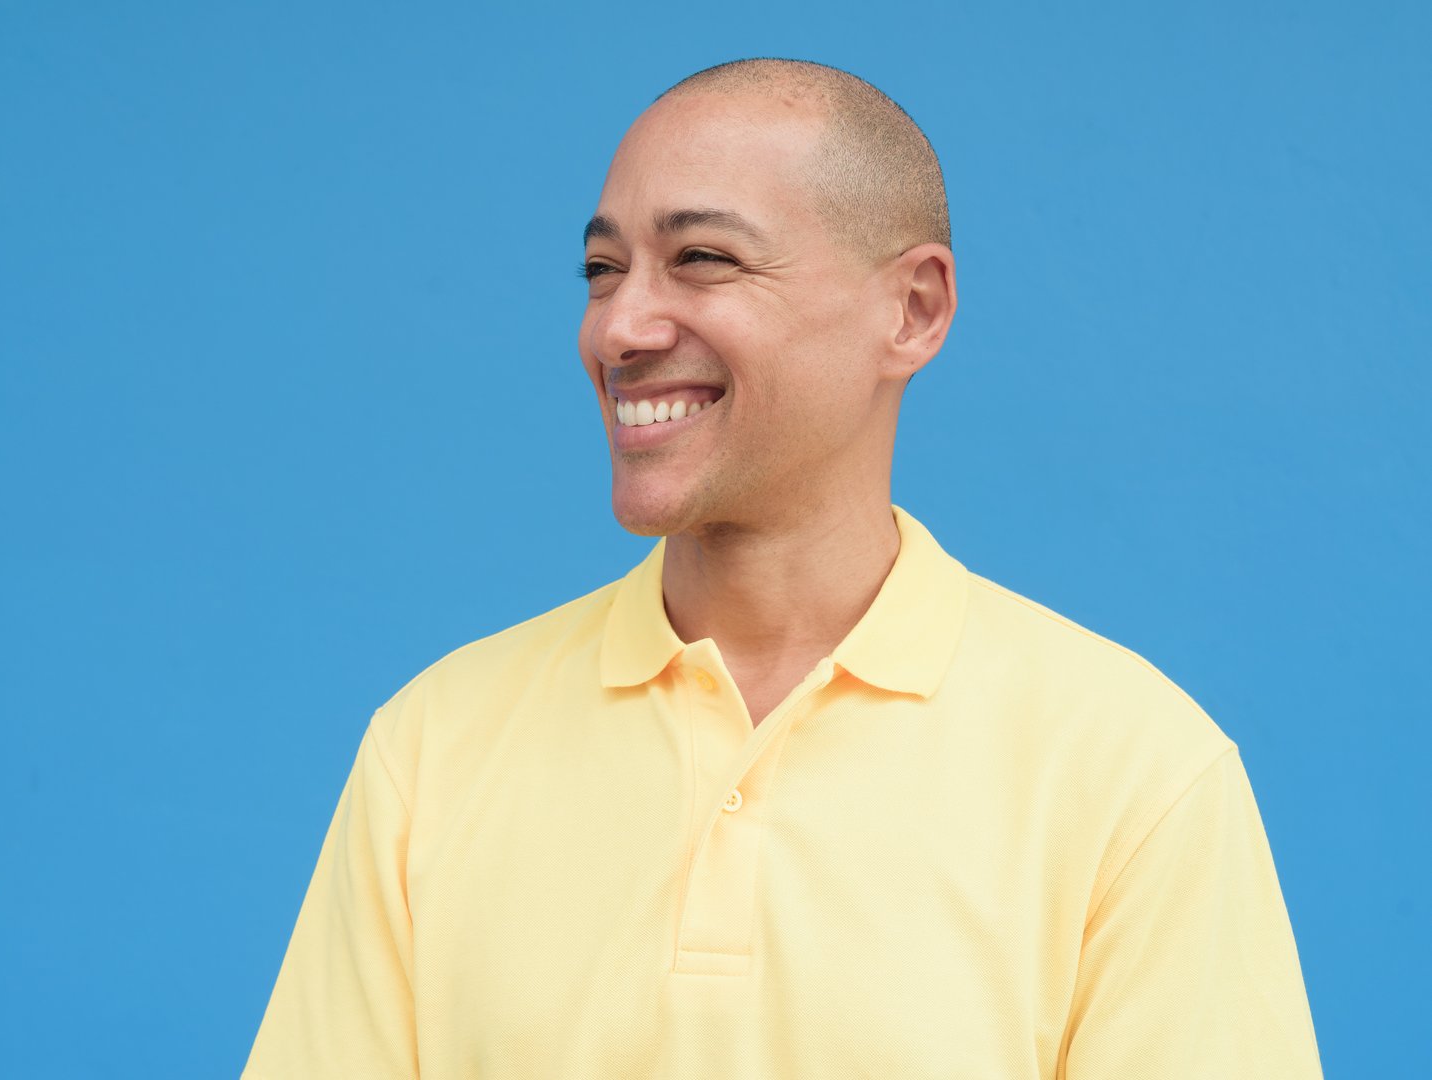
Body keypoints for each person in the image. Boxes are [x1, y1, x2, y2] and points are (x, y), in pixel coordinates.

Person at [243, 58, 1324, 1079]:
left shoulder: (1132, 772)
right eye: (601, 270)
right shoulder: (433, 747)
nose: (618, 326)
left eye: (701, 258)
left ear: (913, 309)